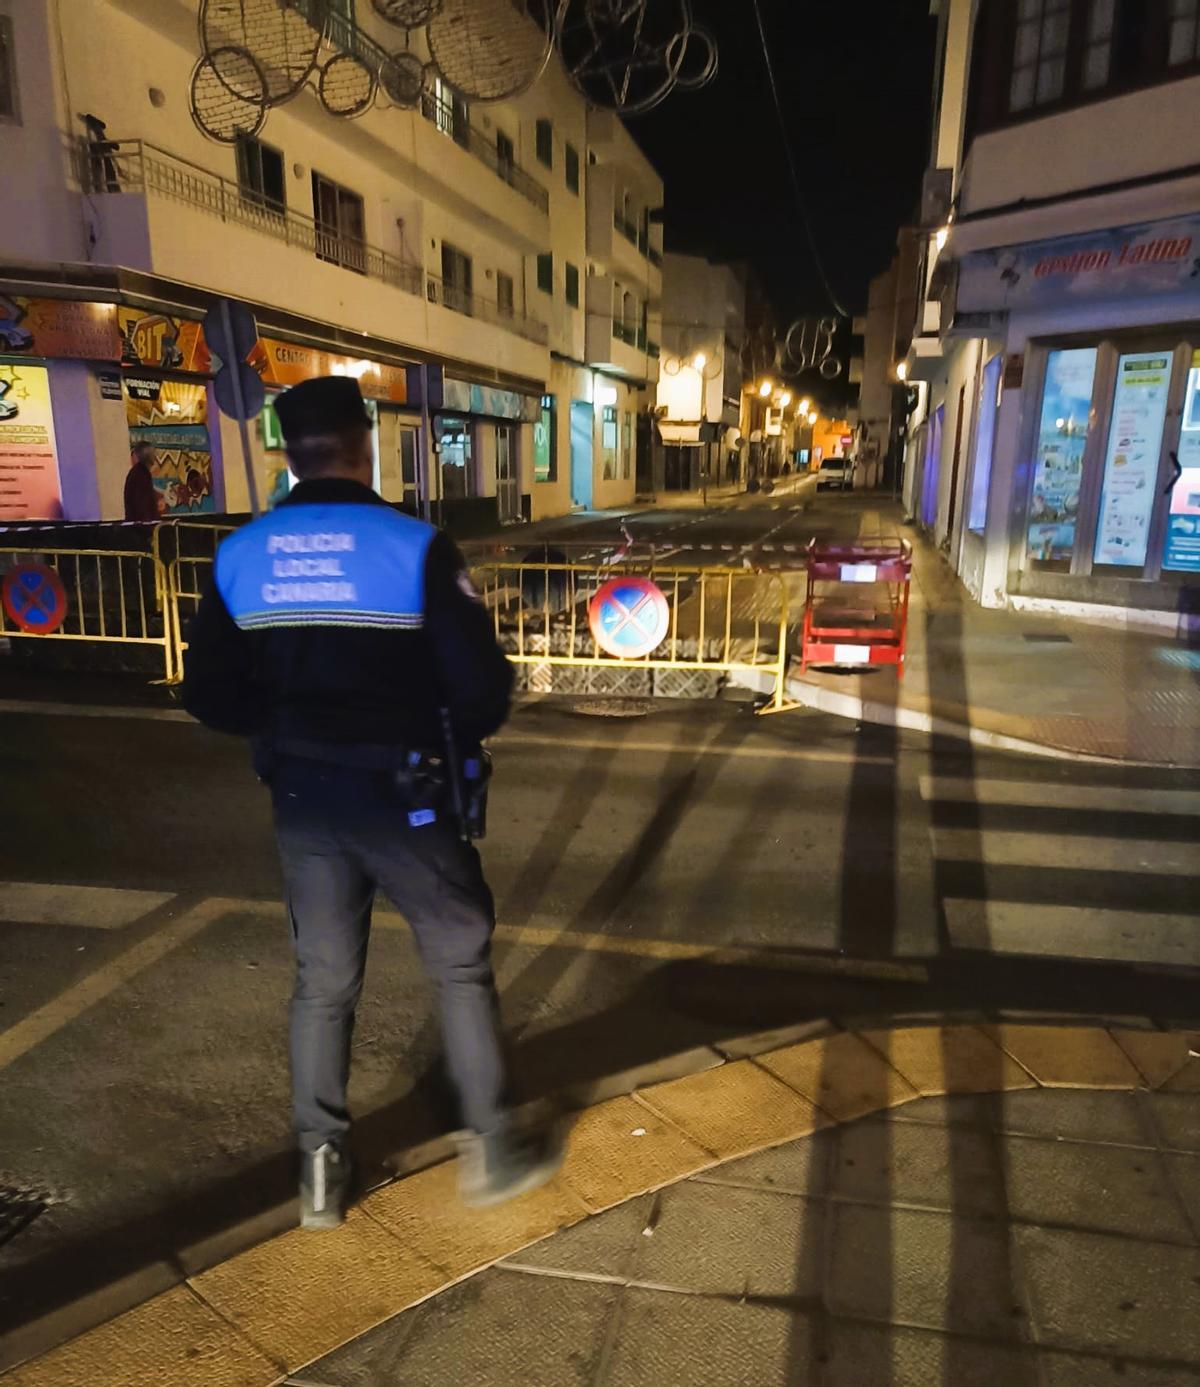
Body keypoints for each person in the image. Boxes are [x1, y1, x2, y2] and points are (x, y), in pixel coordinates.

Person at [181, 376, 559, 1229]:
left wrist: (278, 729)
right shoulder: (414, 547)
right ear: (363, 444)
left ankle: (319, 1174)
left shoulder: (243, 554)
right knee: (457, 961)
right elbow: (483, 689)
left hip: (305, 799)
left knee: (322, 981)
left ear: (287, 452)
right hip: (408, 795)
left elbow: (206, 689)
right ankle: (494, 1147)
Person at [124, 442, 160, 521]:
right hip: (141, 528)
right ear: (148, 455)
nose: (155, 457)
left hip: (138, 525)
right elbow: (143, 503)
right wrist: (148, 525)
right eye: (153, 453)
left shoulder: (138, 472)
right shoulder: (141, 474)